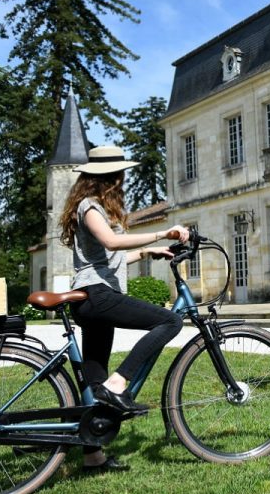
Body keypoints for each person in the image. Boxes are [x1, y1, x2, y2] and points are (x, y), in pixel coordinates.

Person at [57, 145, 190, 473]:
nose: (123, 181)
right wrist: (163, 231)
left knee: (94, 375)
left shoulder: (89, 205)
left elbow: (107, 259)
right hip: (96, 296)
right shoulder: (90, 206)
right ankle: (118, 385)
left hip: (90, 295)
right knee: (170, 321)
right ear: (110, 179)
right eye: (120, 176)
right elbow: (112, 243)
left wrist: (148, 253)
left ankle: (92, 455)